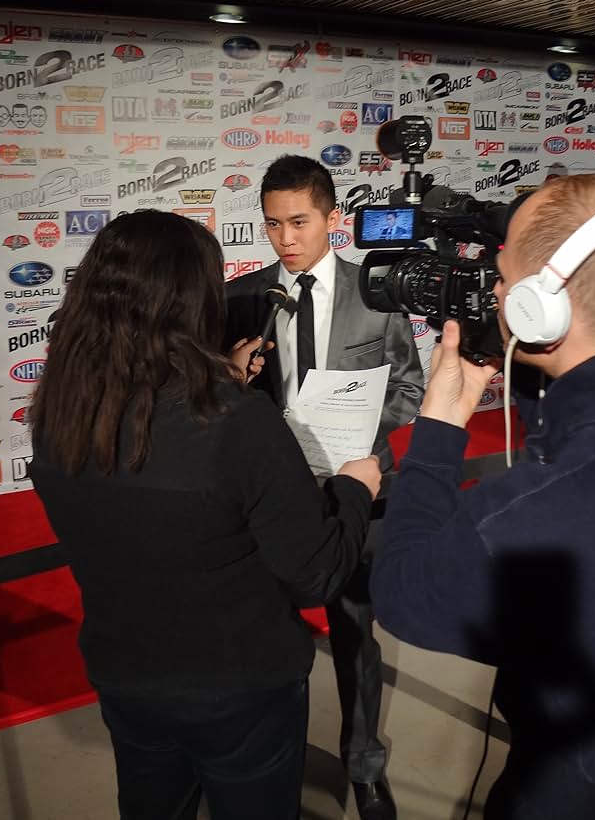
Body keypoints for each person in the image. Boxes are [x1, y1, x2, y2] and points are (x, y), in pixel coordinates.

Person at [29, 209, 381, 820]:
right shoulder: (240, 424)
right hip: (240, 688)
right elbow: (315, 573)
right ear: (192, 300)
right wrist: (354, 489)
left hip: (126, 675)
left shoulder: (59, 412)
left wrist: (214, 379)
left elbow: (148, 462)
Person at [371, 175, 595, 819]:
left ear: (543, 308)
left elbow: (405, 594)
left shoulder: (532, 517)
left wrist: (439, 431)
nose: (494, 294)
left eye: (502, 278)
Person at [226, 155, 424, 820]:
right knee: (259, 638)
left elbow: (410, 387)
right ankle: (262, 762)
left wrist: (360, 424)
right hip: (264, 497)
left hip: (356, 491)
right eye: (274, 224)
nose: (286, 238)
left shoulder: (377, 293)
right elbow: (216, 401)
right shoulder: (242, 297)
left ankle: (363, 764)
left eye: (300, 221)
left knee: (355, 635)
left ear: (333, 219)